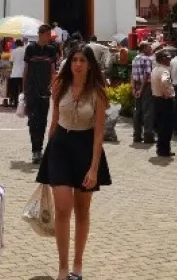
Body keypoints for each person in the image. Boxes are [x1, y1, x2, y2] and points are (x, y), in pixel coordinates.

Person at [37, 44, 111, 280]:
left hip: (85, 148)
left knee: (82, 210)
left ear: (90, 65)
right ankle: (62, 268)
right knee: (62, 208)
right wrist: (46, 158)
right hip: (60, 147)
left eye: (82, 60)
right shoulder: (60, 86)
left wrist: (94, 168)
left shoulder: (98, 92)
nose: (78, 64)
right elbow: (54, 122)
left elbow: (99, 134)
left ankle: (77, 265)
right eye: (74, 60)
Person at [24, 25, 59, 163]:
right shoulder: (30, 49)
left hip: (45, 90)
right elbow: (26, 70)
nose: (50, 37)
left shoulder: (51, 50)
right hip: (32, 90)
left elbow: (53, 71)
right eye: (48, 34)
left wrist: (54, 88)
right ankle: (35, 150)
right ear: (40, 34)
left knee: (43, 120)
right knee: (33, 120)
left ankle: (40, 149)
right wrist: (24, 90)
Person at [151, 49, 176, 158]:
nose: (170, 60)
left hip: (156, 99)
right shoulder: (164, 71)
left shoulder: (155, 69)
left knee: (160, 126)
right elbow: (165, 81)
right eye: (168, 58)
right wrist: (168, 93)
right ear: (163, 59)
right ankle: (165, 150)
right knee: (166, 126)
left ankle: (160, 149)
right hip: (164, 100)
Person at [131, 41, 155, 144]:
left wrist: (134, 88)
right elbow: (146, 75)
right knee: (148, 111)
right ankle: (148, 136)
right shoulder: (147, 59)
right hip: (145, 86)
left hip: (136, 85)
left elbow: (132, 75)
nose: (151, 49)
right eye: (149, 47)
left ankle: (137, 135)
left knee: (137, 111)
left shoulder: (135, 58)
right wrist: (141, 89)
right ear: (144, 48)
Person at [8, 37, 26, 108]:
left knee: (14, 89)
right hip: (23, 73)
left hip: (15, 73)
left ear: (16, 44)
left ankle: (15, 103)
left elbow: (11, 61)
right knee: (22, 89)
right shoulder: (25, 50)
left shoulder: (14, 51)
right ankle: (22, 103)